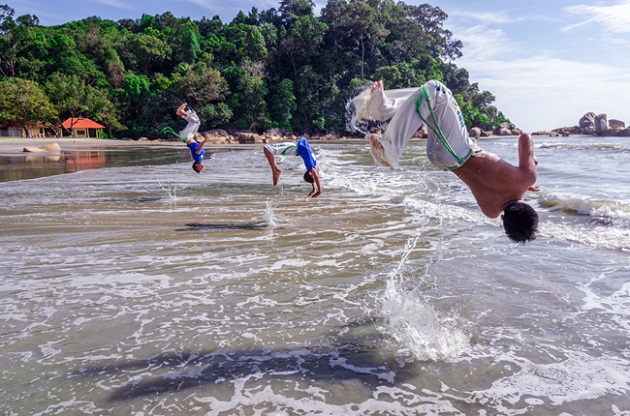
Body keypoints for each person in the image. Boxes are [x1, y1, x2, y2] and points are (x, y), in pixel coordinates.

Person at [365, 80, 539, 243]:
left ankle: (391, 143)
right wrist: (521, 183)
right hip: (442, 160)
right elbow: (494, 185)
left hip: (459, 149)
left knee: (436, 89)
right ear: (503, 220)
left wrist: (530, 164)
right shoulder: (491, 211)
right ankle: (385, 107)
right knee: (431, 102)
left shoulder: (526, 178)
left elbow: (525, 138)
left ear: (531, 208)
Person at [161, 103, 209, 173]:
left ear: (196, 165)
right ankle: (180, 113)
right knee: (194, 121)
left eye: (199, 168)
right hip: (187, 137)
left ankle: (181, 112)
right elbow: (196, 144)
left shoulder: (198, 159)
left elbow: (198, 149)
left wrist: (205, 140)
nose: (202, 168)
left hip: (187, 137)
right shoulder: (200, 159)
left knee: (196, 122)